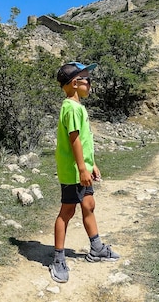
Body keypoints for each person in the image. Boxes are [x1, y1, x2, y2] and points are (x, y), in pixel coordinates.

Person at [49, 61, 120, 283]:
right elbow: (75, 139)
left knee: (89, 205)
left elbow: (86, 143)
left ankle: (96, 248)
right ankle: (58, 259)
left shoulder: (78, 107)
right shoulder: (70, 107)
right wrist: (81, 168)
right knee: (67, 212)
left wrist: (92, 165)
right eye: (87, 80)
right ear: (75, 82)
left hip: (82, 169)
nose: (90, 84)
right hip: (73, 172)